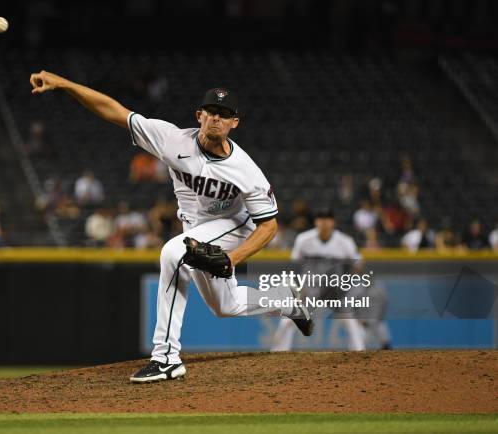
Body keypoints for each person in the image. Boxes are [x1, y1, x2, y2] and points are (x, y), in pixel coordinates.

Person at [30, 70, 312, 383]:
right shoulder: (171, 139)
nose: (216, 118)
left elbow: (269, 226)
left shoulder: (246, 171)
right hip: (196, 227)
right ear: (199, 115)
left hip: (235, 225)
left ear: (235, 123)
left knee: (173, 253)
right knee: (225, 305)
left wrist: (233, 258)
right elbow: (115, 112)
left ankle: (166, 358)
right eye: (211, 112)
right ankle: (287, 300)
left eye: (225, 114)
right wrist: (65, 84)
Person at [270, 209, 367, 352]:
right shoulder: (304, 239)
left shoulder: (345, 241)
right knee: (290, 317)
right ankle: (278, 352)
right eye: (321, 218)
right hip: (310, 288)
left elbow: (358, 265)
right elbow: (296, 265)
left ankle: (359, 351)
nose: (324, 222)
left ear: (333, 222)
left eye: (327, 218)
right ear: (316, 221)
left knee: (349, 318)